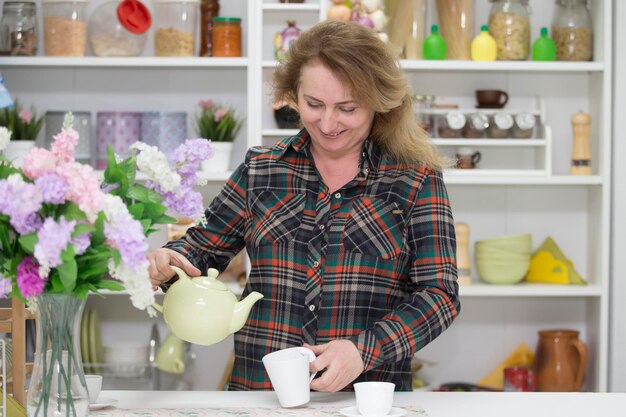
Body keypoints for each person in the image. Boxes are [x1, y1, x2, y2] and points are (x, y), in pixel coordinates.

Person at [148, 20, 460, 392]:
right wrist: (171, 260)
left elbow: (439, 295)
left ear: (379, 103)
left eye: (347, 108)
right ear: (293, 95)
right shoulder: (261, 169)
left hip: (364, 399)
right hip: (261, 398)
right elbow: (200, 249)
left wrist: (363, 351)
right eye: (314, 104)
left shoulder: (414, 179)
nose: (327, 123)